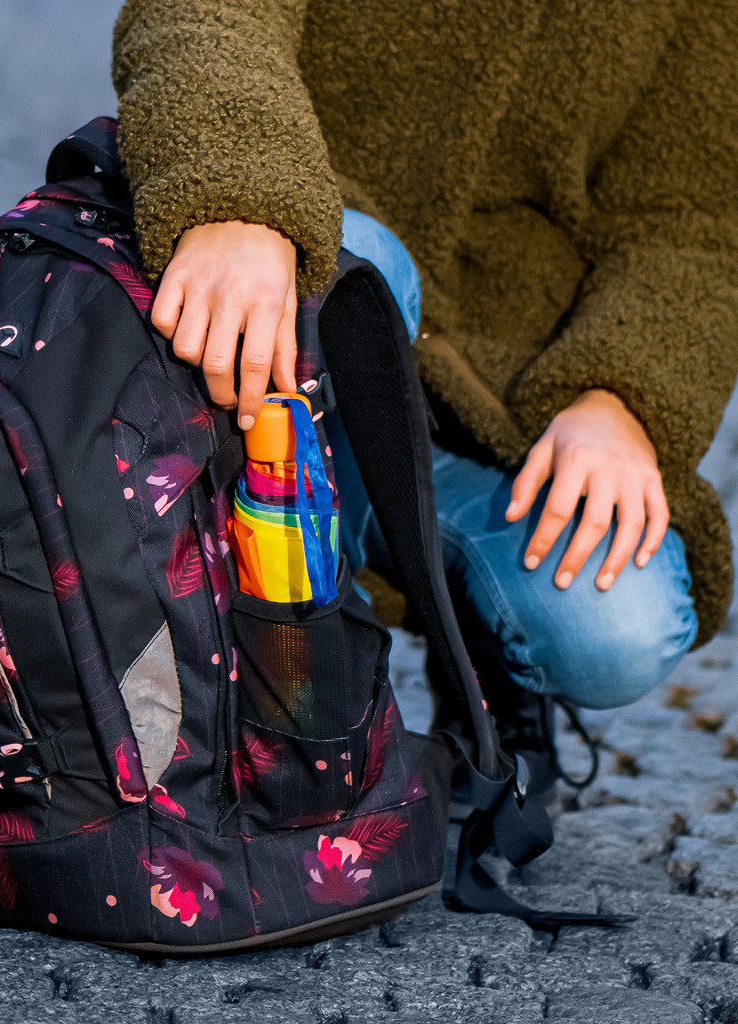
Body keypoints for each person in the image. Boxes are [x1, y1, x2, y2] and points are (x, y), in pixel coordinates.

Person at [110, 0, 737, 782]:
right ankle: (259, 676)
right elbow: (201, 15)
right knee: (367, 276)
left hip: (499, 381)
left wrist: (621, 393)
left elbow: (691, 217)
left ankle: (481, 672)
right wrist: (242, 196)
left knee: (615, 628)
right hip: (305, 255)